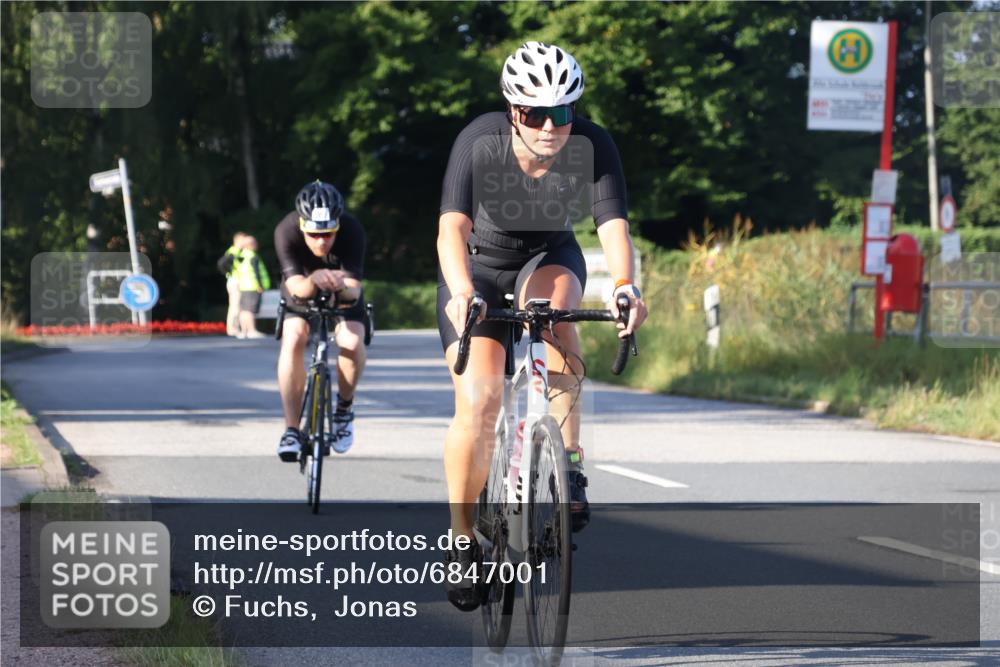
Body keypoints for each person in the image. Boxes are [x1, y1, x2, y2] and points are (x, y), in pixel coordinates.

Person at [436, 41, 648, 610]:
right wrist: (461, 293)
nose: (551, 127)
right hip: (477, 268)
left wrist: (626, 285)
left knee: (554, 317)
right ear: (513, 112)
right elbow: (450, 230)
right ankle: (460, 541)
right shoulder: (479, 142)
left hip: (548, 256)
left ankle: (569, 464)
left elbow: (612, 226)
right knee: (480, 400)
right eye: (536, 114)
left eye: (564, 112)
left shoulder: (593, 145)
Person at [274, 181, 368, 461]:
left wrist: (340, 285)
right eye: (314, 234)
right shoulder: (286, 230)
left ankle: (343, 411)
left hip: (342, 287)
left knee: (350, 339)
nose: (321, 241)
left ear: (338, 224)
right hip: (301, 284)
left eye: (328, 234)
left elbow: (353, 291)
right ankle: (291, 429)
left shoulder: (352, 231)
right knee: (294, 337)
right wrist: (314, 279)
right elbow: (296, 288)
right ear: (302, 225)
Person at [235, 235, 271, 339]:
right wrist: (260, 285)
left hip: (243, 286)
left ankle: (243, 331)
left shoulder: (241, 256)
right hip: (252, 286)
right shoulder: (253, 256)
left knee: (244, 310)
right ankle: (252, 330)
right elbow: (256, 272)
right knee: (250, 310)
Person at [218, 232, 248, 336]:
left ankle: (236, 329)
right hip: (235, 281)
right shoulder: (234, 251)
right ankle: (233, 329)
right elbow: (222, 264)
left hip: (237, 281)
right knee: (235, 306)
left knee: (238, 306)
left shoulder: (237, 251)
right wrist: (229, 273)